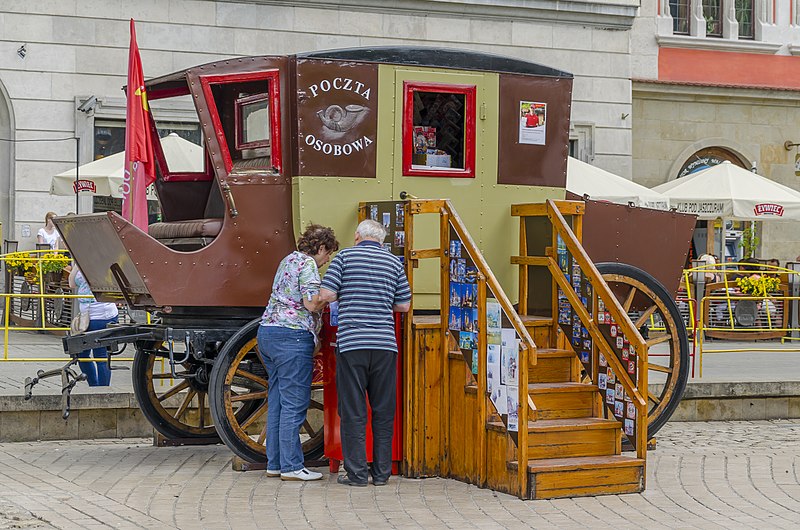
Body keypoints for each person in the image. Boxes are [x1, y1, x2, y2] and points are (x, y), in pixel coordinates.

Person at [320, 219, 411, 487]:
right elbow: (403, 306)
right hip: (385, 346)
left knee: (353, 411)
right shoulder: (394, 263)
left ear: (358, 235)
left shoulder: (345, 257)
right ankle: (382, 475)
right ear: (381, 241)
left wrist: (345, 296)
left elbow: (326, 294)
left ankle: (358, 475)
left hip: (353, 344)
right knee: (383, 411)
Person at [258, 224, 339, 482]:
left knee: (278, 401)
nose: (327, 261)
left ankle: (275, 463)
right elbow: (311, 302)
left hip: (267, 332)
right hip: (291, 337)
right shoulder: (308, 265)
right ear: (322, 247)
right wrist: (330, 296)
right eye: (329, 255)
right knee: (294, 402)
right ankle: (292, 466)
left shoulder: (288, 259)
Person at [68, 265, 119, 386]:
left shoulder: (99, 262)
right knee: (82, 355)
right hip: (85, 316)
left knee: (100, 355)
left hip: (102, 314)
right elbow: (71, 283)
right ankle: (94, 385)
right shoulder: (81, 261)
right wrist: (76, 263)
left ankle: (102, 389)